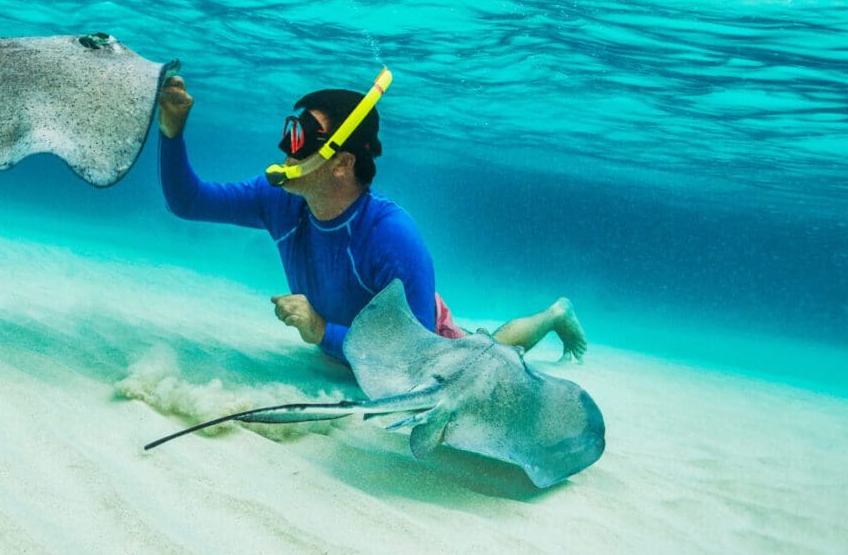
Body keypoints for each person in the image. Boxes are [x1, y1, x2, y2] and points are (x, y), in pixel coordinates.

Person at [156, 74, 586, 363]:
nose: (286, 148)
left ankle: (553, 314)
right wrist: (172, 130)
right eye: (290, 131)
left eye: (301, 137)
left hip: (424, 348)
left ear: (341, 163)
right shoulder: (279, 201)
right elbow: (188, 201)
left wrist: (322, 330)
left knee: (490, 351)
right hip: (359, 353)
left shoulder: (392, 235)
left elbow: (414, 357)